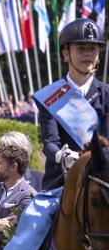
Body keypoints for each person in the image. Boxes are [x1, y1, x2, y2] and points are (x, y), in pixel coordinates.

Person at [35, 17, 109, 190]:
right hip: (61, 180)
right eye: (81, 48)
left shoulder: (107, 94)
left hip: (103, 179)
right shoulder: (50, 95)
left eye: (93, 49)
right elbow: (50, 142)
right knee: (32, 217)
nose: (88, 54)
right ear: (66, 53)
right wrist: (61, 156)